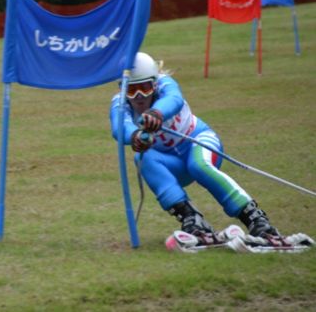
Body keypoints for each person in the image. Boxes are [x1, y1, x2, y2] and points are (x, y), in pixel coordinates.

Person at [109, 52, 283, 247]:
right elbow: (119, 127)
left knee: (198, 165)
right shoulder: (120, 102)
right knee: (142, 159)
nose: (139, 97)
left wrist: (157, 112)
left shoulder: (166, 83)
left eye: (145, 88)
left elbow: (174, 99)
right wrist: (135, 137)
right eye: (132, 90)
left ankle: (256, 219)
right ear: (123, 89)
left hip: (199, 141)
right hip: (172, 164)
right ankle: (191, 219)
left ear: (155, 84)